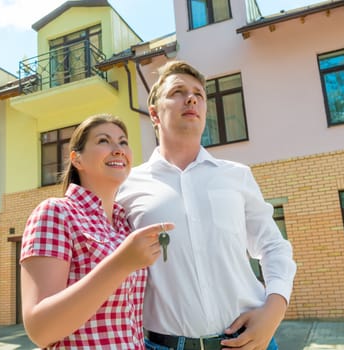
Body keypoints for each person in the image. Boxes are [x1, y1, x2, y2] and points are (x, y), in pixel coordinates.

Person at [117, 61, 297, 350]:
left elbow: (274, 247)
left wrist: (274, 310)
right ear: (154, 113)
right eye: (178, 91)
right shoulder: (126, 188)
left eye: (199, 94)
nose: (191, 99)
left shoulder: (237, 175)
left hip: (249, 343)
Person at [20, 114, 174, 349]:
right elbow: (40, 330)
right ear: (77, 159)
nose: (118, 149)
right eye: (104, 141)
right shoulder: (56, 213)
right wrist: (121, 263)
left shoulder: (126, 224)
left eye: (123, 142)